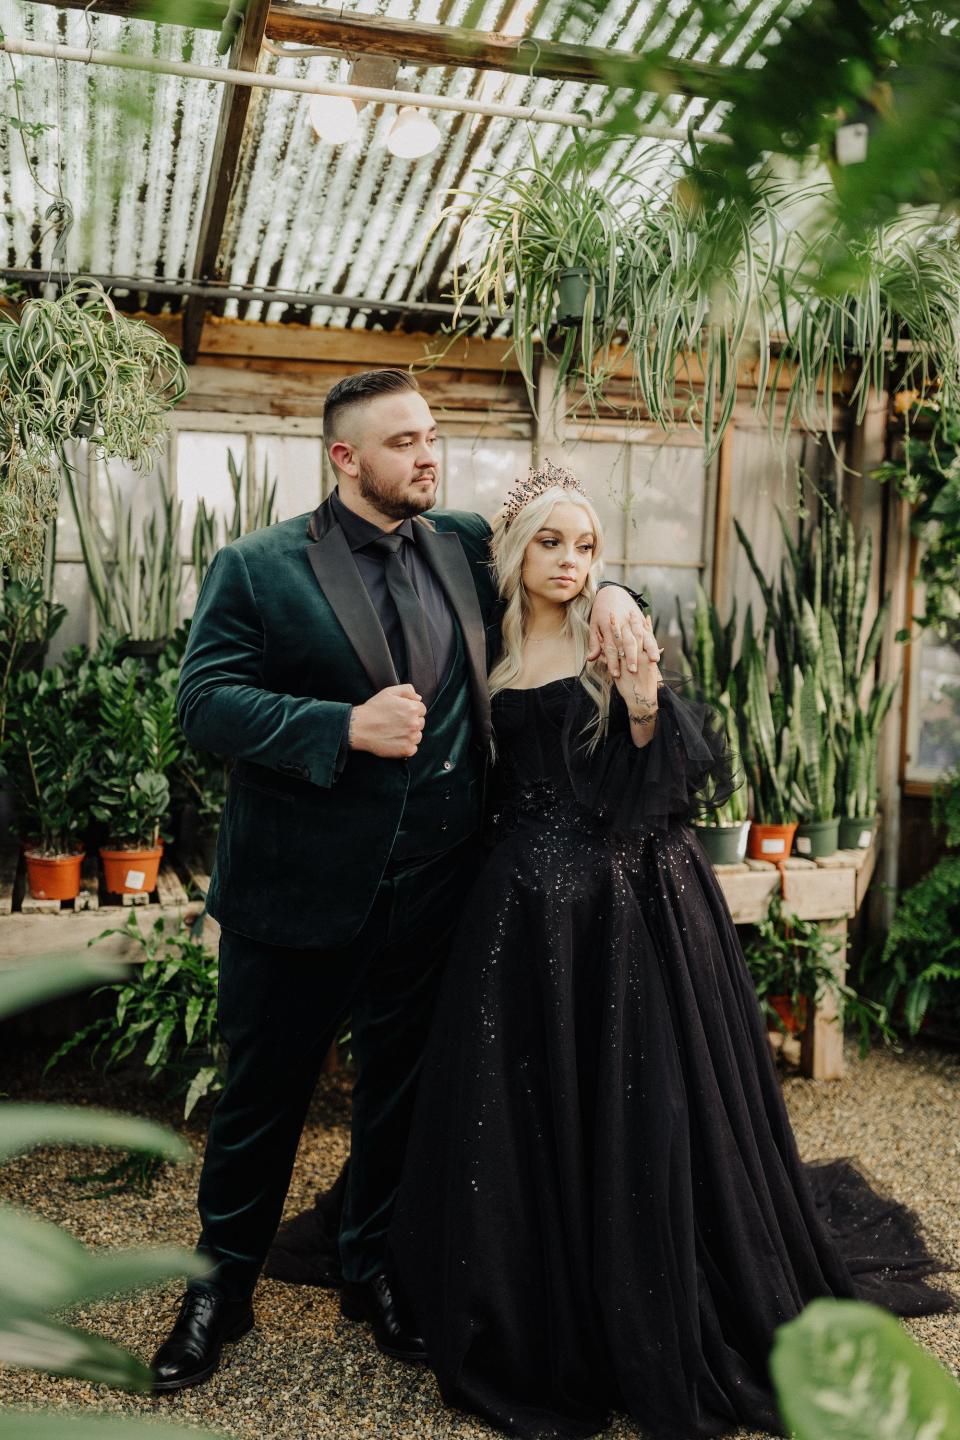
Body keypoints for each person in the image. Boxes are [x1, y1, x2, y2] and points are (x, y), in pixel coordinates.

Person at [382, 467, 957, 1440]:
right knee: (516, 1110)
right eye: (553, 544)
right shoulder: (488, 643)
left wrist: (643, 700)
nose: (572, 562)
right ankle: (526, 1287)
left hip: (621, 903)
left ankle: (639, 1293)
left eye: (589, 547)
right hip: (519, 910)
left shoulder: (616, 630)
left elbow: (658, 770)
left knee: (635, 1106)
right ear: (516, 554)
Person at [149, 370, 653, 1392]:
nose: (431, 456)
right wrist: (339, 727)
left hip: (439, 892)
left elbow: (556, 541)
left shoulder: (465, 543)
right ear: (345, 459)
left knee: (402, 1097)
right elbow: (203, 705)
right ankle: (218, 1290)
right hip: (299, 894)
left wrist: (610, 586)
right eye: (405, 443)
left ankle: (371, 1266)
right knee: (263, 1103)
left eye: (433, 435)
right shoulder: (257, 568)